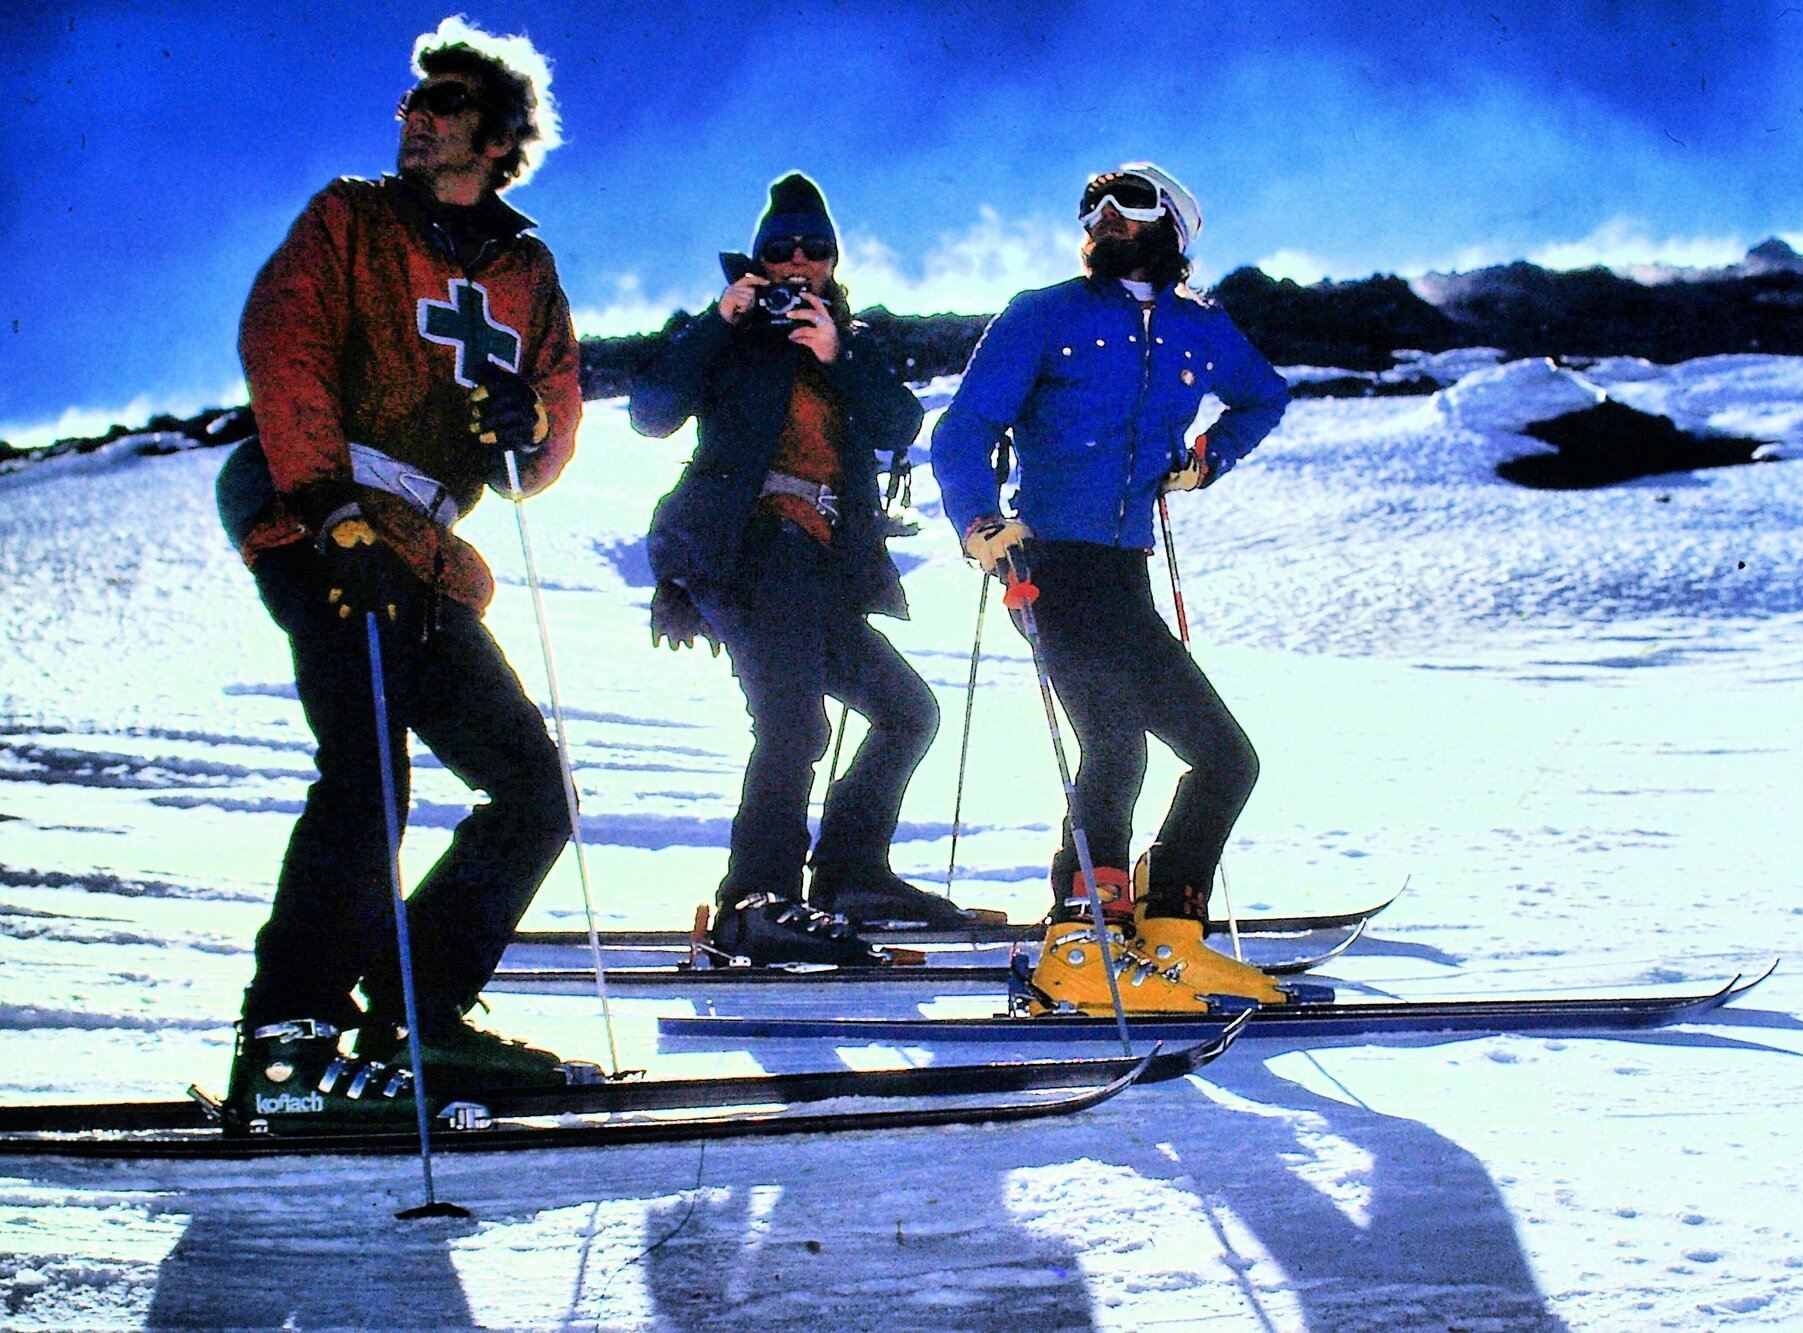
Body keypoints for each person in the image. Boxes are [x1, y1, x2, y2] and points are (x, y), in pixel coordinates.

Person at [214, 18, 585, 1130]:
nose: (414, 119)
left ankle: (418, 1013)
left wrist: (530, 425)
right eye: (410, 105)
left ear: (501, 131)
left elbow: (547, 428)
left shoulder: (524, 269)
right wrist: (329, 512)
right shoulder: (352, 218)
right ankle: (287, 1040)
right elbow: (284, 345)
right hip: (315, 508)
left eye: (445, 104)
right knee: (368, 772)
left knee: (531, 786)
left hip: (423, 548)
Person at [930, 163, 1291, 1014]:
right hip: (1046, 563)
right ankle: (1080, 944)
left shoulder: (1202, 327)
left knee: (1227, 757)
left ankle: (1170, 938)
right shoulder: (1043, 314)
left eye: (1128, 203)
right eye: (1093, 206)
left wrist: (1205, 462)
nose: (1105, 218)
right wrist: (982, 523)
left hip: (1124, 574)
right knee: (1116, 744)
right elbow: (963, 430)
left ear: (1174, 223)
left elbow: (1264, 397)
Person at [629, 172, 975, 967]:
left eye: (813, 250)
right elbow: (652, 412)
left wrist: (838, 352)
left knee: (907, 710)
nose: (796, 263)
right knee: (793, 723)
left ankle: (850, 873)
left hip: (818, 564)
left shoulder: (846, 339)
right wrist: (721, 321)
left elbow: (901, 420)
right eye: (779, 249)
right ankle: (755, 900)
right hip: (748, 550)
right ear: (757, 259)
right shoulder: (728, 333)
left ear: (831, 261)